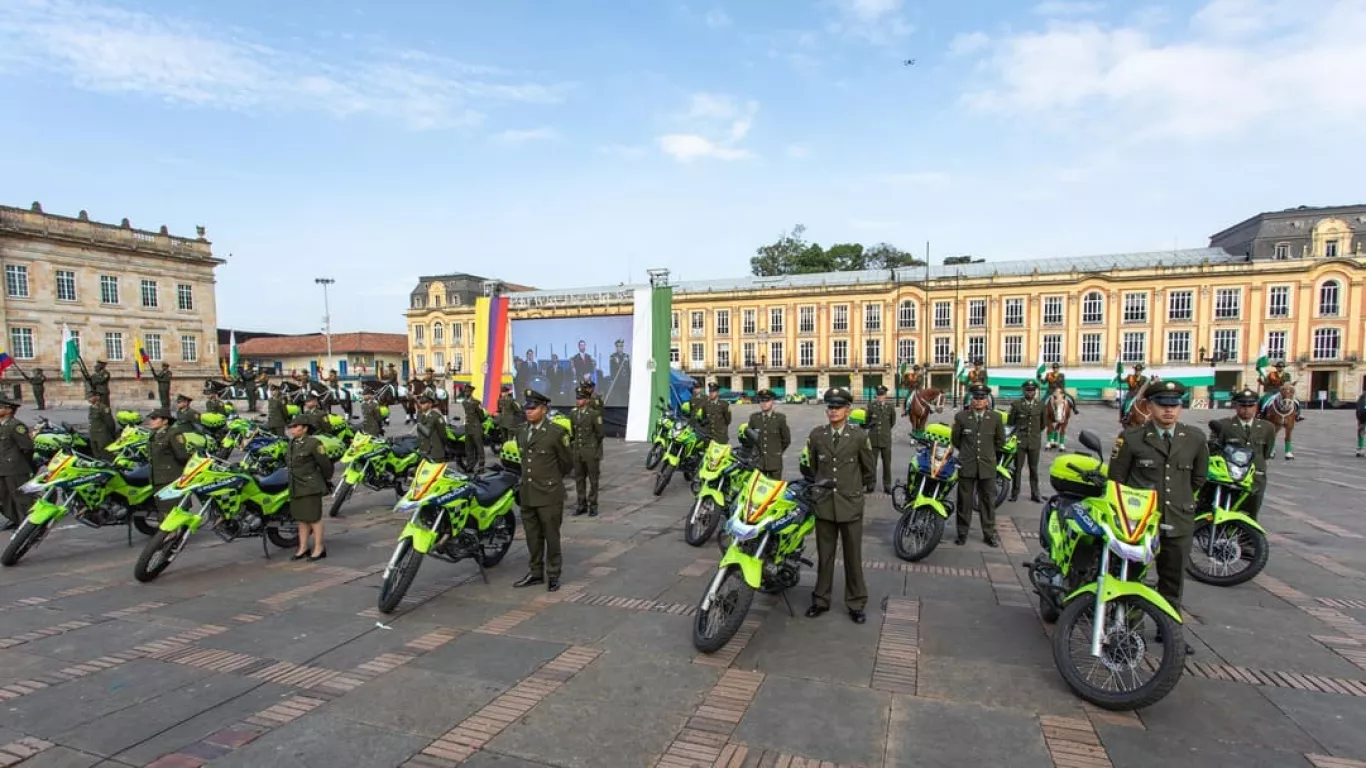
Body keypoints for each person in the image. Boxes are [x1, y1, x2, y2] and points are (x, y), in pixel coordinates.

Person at [1108, 380, 1207, 655]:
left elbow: (1198, 478)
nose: (1169, 411)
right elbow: (1117, 480)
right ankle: (1129, 632)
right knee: (1132, 578)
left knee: (1172, 583)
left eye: (1174, 405)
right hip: (1140, 524)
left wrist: (1180, 502)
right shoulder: (1131, 438)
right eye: (1162, 405)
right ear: (1149, 406)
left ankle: (1171, 632)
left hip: (1178, 520)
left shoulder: (1195, 438)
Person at [804, 387, 876, 624]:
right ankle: (820, 600)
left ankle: (856, 602)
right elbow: (814, 468)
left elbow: (868, 469)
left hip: (850, 503)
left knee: (852, 556)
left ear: (848, 410)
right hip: (825, 503)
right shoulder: (817, 436)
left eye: (838, 407)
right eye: (830, 407)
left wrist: (855, 488)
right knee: (825, 555)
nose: (833, 411)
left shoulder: (858, 437)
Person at [514, 388, 573, 592]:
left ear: (544, 409)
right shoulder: (521, 431)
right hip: (528, 492)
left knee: (551, 536)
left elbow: (566, 462)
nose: (528, 411)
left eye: (533, 408)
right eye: (527, 408)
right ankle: (535, 573)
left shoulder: (556, 433)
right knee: (532, 536)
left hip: (549, 494)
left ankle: (554, 573)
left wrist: (550, 479)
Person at [952, 384, 1005, 547]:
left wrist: (987, 453)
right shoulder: (962, 417)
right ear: (972, 400)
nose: (979, 401)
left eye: (982, 398)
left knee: (987, 501)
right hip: (967, 464)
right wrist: (968, 453)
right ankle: (962, 533)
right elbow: (955, 440)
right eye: (976, 398)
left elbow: (1000, 441)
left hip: (987, 465)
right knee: (964, 501)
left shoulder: (995, 418)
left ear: (987, 401)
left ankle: (989, 533)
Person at [1212, 388, 1274, 520]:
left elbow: (1266, 452)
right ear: (1235, 406)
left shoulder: (1267, 427)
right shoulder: (1224, 425)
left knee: (1251, 514)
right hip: (1231, 476)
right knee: (1227, 511)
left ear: (1256, 406)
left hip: (1255, 476)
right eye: (1243, 406)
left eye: (1251, 406)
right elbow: (1214, 450)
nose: (1247, 410)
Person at [286, 415, 334, 561]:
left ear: (305, 428)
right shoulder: (292, 443)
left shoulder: (313, 443)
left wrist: (323, 480)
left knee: (314, 518)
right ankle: (303, 548)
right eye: (291, 427)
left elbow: (326, 465)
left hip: (310, 486)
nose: (292, 430)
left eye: (296, 426)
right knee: (302, 518)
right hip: (296, 485)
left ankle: (319, 548)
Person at [0, 397, 35, 530]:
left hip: (15, 467)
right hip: (2, 467)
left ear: (8, 410)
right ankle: (15, 518)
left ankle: (30, 524)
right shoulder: (2, 425)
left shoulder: (15, 426)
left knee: (21, 497)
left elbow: (28, 447)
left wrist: (20, 462)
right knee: (4, 497)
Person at [1008, 380, 1045, 503]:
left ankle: (1035, 493)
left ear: (1035, 391)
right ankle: (1015, 493)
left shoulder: (1040, 405)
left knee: (1033, 469)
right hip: (1020, 441)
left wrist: (1034, 433)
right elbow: (1011, 423)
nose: (1030, 392)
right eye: (1028, 390)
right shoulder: (1017, 405)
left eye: (1032, 390)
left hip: (1034, 441)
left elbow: (1043, 424)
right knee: (1017, 468)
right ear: (1023, 391)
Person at [147, 409, 189, 515]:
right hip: (157, 478)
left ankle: (175, 531)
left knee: (173, 510)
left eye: (154, 418)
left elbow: (182, 455)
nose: (151, 421)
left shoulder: (173, 434)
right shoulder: (153, 434)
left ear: (165, 421)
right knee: (162, 510)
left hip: (170, 478)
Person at [569, 385, 603, 517]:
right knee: (579, 479)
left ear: (587, 400)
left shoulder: (594, 414)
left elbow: (600, 433)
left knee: (593, 480)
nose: (578, 401)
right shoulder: (573, 413)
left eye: (581, 398)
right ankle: (581, 504)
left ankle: (593, 505)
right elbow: (573, 431)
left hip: (590, 451)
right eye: (577, 398)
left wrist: (594, 447)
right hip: (578, 451)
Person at [746, 389, 791, 480]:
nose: (764, 403)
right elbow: (750, 439)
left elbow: (786, 440)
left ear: (772, 402)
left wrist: (776, 452)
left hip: (774, 462)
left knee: (774, 491)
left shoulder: (780, 418)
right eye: (762, 401)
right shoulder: (754, 418)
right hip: (758, 462)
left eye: (767, 400)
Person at [866, 385, 897, 493]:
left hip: (885, 439)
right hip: (873, 438)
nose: (880, 397)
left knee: (887, 464)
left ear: (885, 396)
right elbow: (867, 421)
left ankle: (887, 485)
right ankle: (871, 484)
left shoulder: (890, 407)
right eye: (878, 395)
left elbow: (892, 422)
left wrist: (885, 430)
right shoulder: (871, 406)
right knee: (871, 463)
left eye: (882, 395)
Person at [415, 395, 449, 463]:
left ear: (430, 404)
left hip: (435, 453)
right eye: (421, 403)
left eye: (424, 403)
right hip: (423, 452)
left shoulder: (436, 417)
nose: (422, 405)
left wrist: (442, 447)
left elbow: (443, 434)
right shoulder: (419, 415)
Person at [461, 384, 486, 472]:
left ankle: (481, 466)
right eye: (465, 391)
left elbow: (482, 416)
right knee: (468, 448)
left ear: (471, 392)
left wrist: (478, 423)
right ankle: (470, 466)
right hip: (468, 427)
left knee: (479, 447)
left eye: (467, 391)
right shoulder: (464, 402)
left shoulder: (476, 403)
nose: (466, 393)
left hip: (476, 427)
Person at [87, 392, 117, 461]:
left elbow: (110, 423)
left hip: (102, 435)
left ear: (97, 397)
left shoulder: (103, 408)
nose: (89, 399)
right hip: (93, 435)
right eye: (88, 397)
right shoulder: (91, 408)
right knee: (96, 454)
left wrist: (112, 434)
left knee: (106, 454)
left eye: (91, 397)